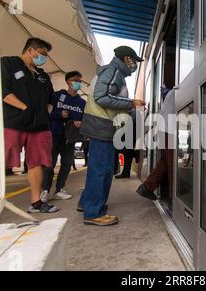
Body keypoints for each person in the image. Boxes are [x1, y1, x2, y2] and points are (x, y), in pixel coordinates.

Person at [0, 38, 58, 228]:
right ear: (30, 50)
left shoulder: (43, 76)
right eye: (42, 54)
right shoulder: (7, 64)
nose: (44, 58)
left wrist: (46, 112)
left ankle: (37, 201)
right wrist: (24, 108)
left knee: (36, 163)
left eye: (46, 55)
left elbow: (51, 98)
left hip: (39, 127)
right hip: (12, 123)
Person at [79, 46, 145, 226]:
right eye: (134, 61)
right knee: (103, 170)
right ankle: (94, 213)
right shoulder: (113, 71)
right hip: (101, 126)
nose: (135, 65)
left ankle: (86, 202)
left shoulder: (115, 73)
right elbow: (102, 97)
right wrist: (131, 103)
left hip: (102, 125)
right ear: (126, 59)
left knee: (99, 168)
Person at [42, 71, 86, 201]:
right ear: (68, 81)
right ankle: (45, 190)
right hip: (54, 135)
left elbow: (84, 119)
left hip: (70, 138)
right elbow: (47, 114)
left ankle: (59, 189)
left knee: (66, 164)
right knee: (49, 164)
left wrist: (80, 123)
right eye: (75, 80)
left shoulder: (81, 102)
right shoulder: (57, 96)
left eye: (80, 80)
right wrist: (59, 115)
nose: (78, 82)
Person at [136, 86, 175, 202]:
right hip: (169, 131)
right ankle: (174, 198)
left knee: (165, 161)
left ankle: (147, 187)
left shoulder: (169, 95)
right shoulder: (177, 92)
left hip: (164, 131)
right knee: (172, 164)